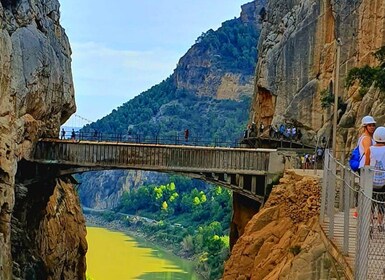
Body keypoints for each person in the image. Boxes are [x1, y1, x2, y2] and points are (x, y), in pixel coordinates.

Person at [366, 126, 385, 233]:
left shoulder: (370, 149)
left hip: (371, 182)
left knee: (371, 204)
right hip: (383, 182)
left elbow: (367, 164)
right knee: (381, 204)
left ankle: (370, 224)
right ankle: (380, 223)